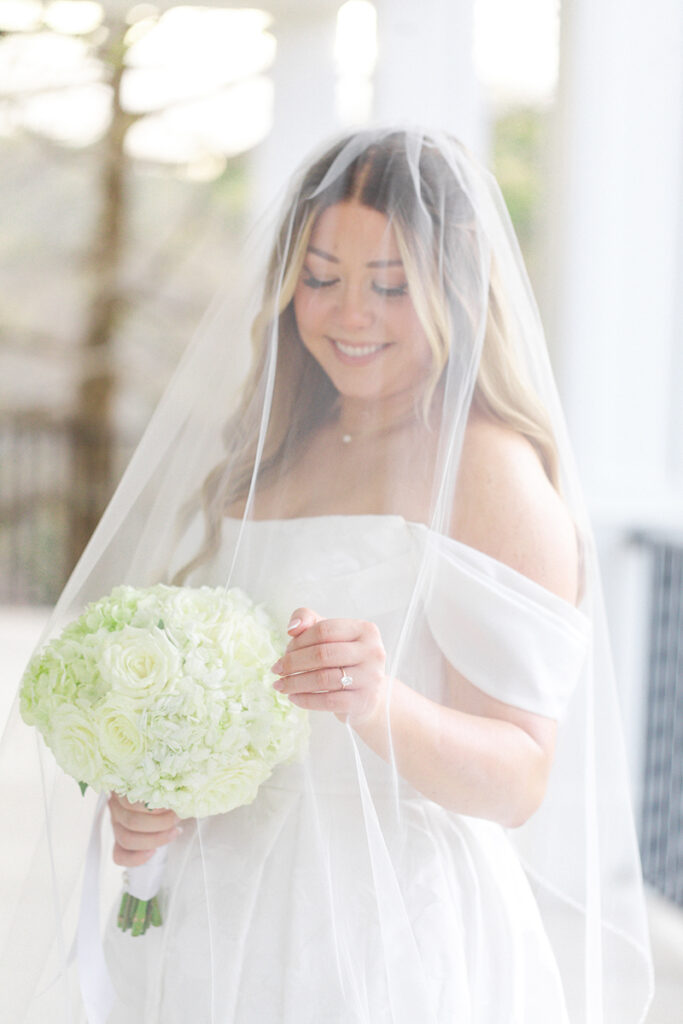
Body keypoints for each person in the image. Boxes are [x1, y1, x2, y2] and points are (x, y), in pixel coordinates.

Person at [1, 129, 653, 1023]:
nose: (350, 315)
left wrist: (377, 703)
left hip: (383, 930)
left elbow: (518, 780)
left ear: (453, 284)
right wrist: (162, 797)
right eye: (319, 277)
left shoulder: (489, 470)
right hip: (212, 911)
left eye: (389, 284)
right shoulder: (277, 445)